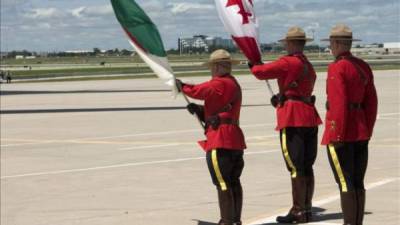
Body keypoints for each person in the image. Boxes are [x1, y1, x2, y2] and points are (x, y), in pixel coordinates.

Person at [249, 26, 322, 223]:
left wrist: (253, 64)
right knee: (306, 166)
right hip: (309, 115)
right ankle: (305, 209)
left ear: (290, 44)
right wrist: (284, 96)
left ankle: (298, 210)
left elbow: (260, 72)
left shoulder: (288, 62)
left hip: (293, 116)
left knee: (295, 166)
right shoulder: (308, 63)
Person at [176, 49, 246, 225]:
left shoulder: (220, 83)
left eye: (213, 66)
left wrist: (181, 86)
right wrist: (200, 110)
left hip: (220, 139)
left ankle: (227, 221)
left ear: (216, 66)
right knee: (232, 182)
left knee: (223, 183)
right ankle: (235, 220)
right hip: (233, 138)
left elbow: (199, 90)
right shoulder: (231, 83)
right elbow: (220, 108)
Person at [321, 24, 378, 225]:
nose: (330, 47)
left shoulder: (337, 67)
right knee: (357, 182)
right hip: (361, 130)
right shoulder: (363, 66)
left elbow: (338, 104)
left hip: (343, 133)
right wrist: (367, 129)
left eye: (331, 43)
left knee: (345, 183)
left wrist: (336, 134)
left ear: (336, 43)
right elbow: (371, 102)